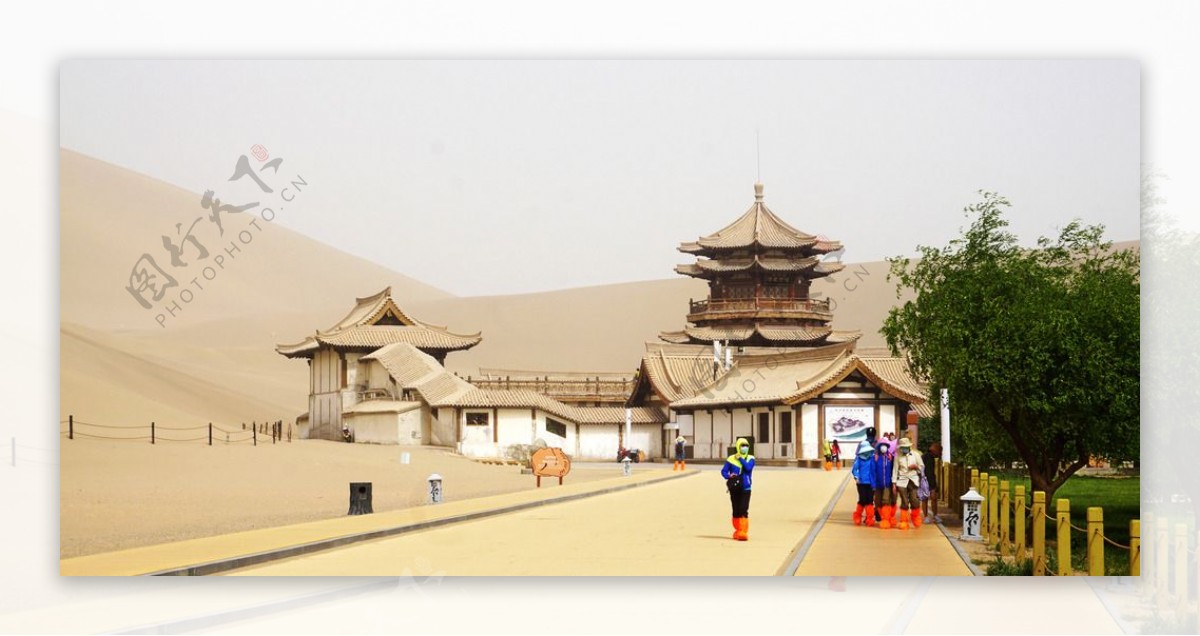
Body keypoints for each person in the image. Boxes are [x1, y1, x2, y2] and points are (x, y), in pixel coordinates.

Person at [721, 437, 756, 541]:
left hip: (746, 487)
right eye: (742, 446)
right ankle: (737, 530)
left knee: (743, 509)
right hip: (734, 488)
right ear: (738, 446)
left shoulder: (750, 458)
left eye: (746, 446)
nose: (744, 448)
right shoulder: (731, 459)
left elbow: (748, 468)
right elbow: (723, 471)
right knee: (735, 510)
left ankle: (743, 531)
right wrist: (728, 475)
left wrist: (740, 458)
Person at [892, 437, 925, 530]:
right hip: (901, 481)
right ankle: (904, 521)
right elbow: (895, 470)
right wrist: (894, 484)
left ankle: (915, 519)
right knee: (904, 502)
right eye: (902, 447)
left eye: (905, 447)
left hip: (913, 480)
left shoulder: (916, 455)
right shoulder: (897, 457)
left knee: (915, 500)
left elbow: (922, 467)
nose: (904, 449)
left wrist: (916, 467)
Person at [869, 440, 895, 529]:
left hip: (887, 484)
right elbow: (872, 472)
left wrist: (893, 483)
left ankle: (886, 519)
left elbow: (893, 470)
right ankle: (880, 515)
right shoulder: (875, 458)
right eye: (882, 445)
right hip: (877, 484)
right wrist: (873, 484)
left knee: (886, 501)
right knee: (878, 502)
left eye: (885, 445)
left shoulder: (890, 457)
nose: (883, 447)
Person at [850, 439, 876, 526]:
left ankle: (869, 518)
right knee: (862, 499)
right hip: (861, 483)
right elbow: (854, 470)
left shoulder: (872, 458)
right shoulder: (859, 459)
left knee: (870, 500)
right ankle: (857, 517)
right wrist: (856, 477)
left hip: (870, 483)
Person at [922, 442, 942, 523]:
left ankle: (935, 515)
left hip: (931, 480)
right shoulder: (925, 457)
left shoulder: (932, 458)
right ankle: (926, 516)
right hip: (925, 480)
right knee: (925, 499)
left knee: (933, 498)